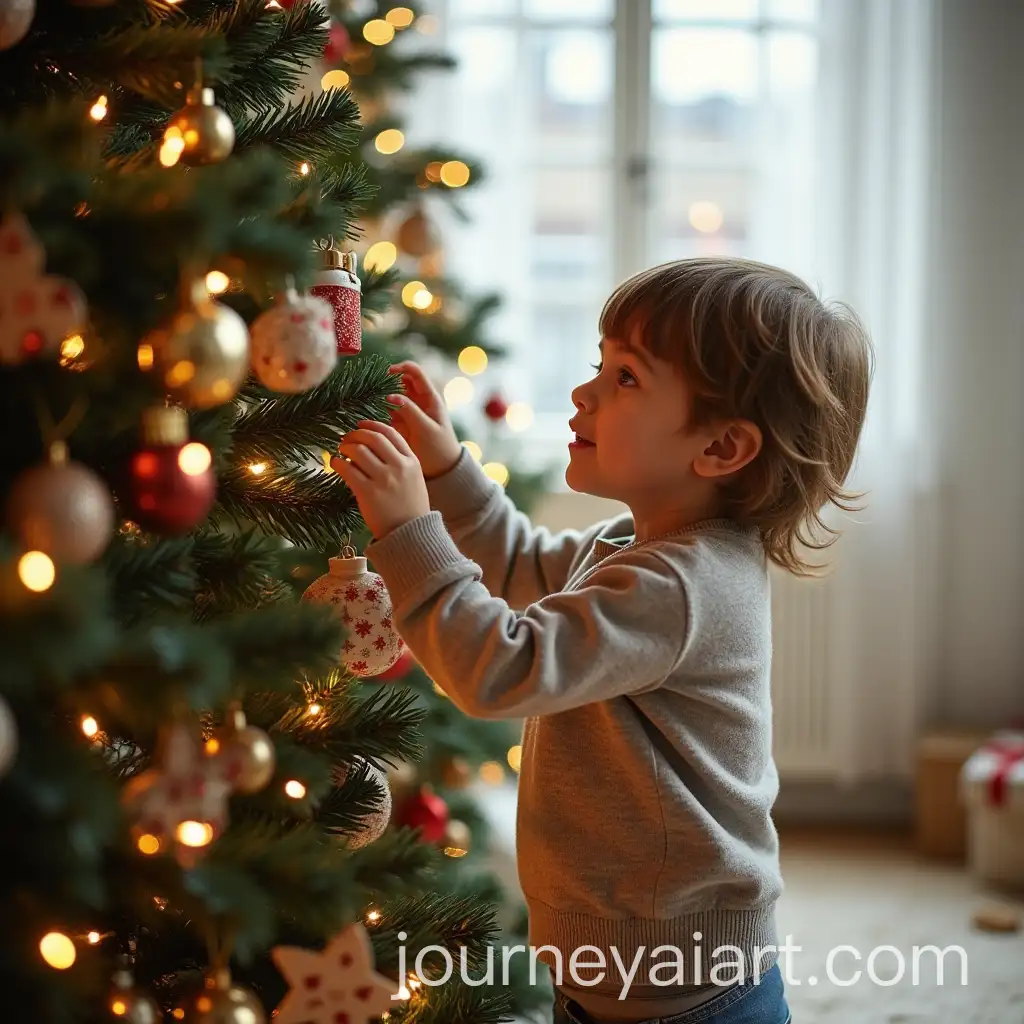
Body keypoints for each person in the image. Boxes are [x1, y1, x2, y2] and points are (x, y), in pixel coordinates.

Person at [332, 257, 873, 1024]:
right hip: (610, 975)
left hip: (684, 987)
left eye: (625, 378)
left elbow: (500, 669)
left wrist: (408, 529)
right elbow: (518, 565)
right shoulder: (632, 545)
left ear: (722, 448)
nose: (584, 393)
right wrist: (447, 470)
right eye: (600, 363)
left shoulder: (683, 585)